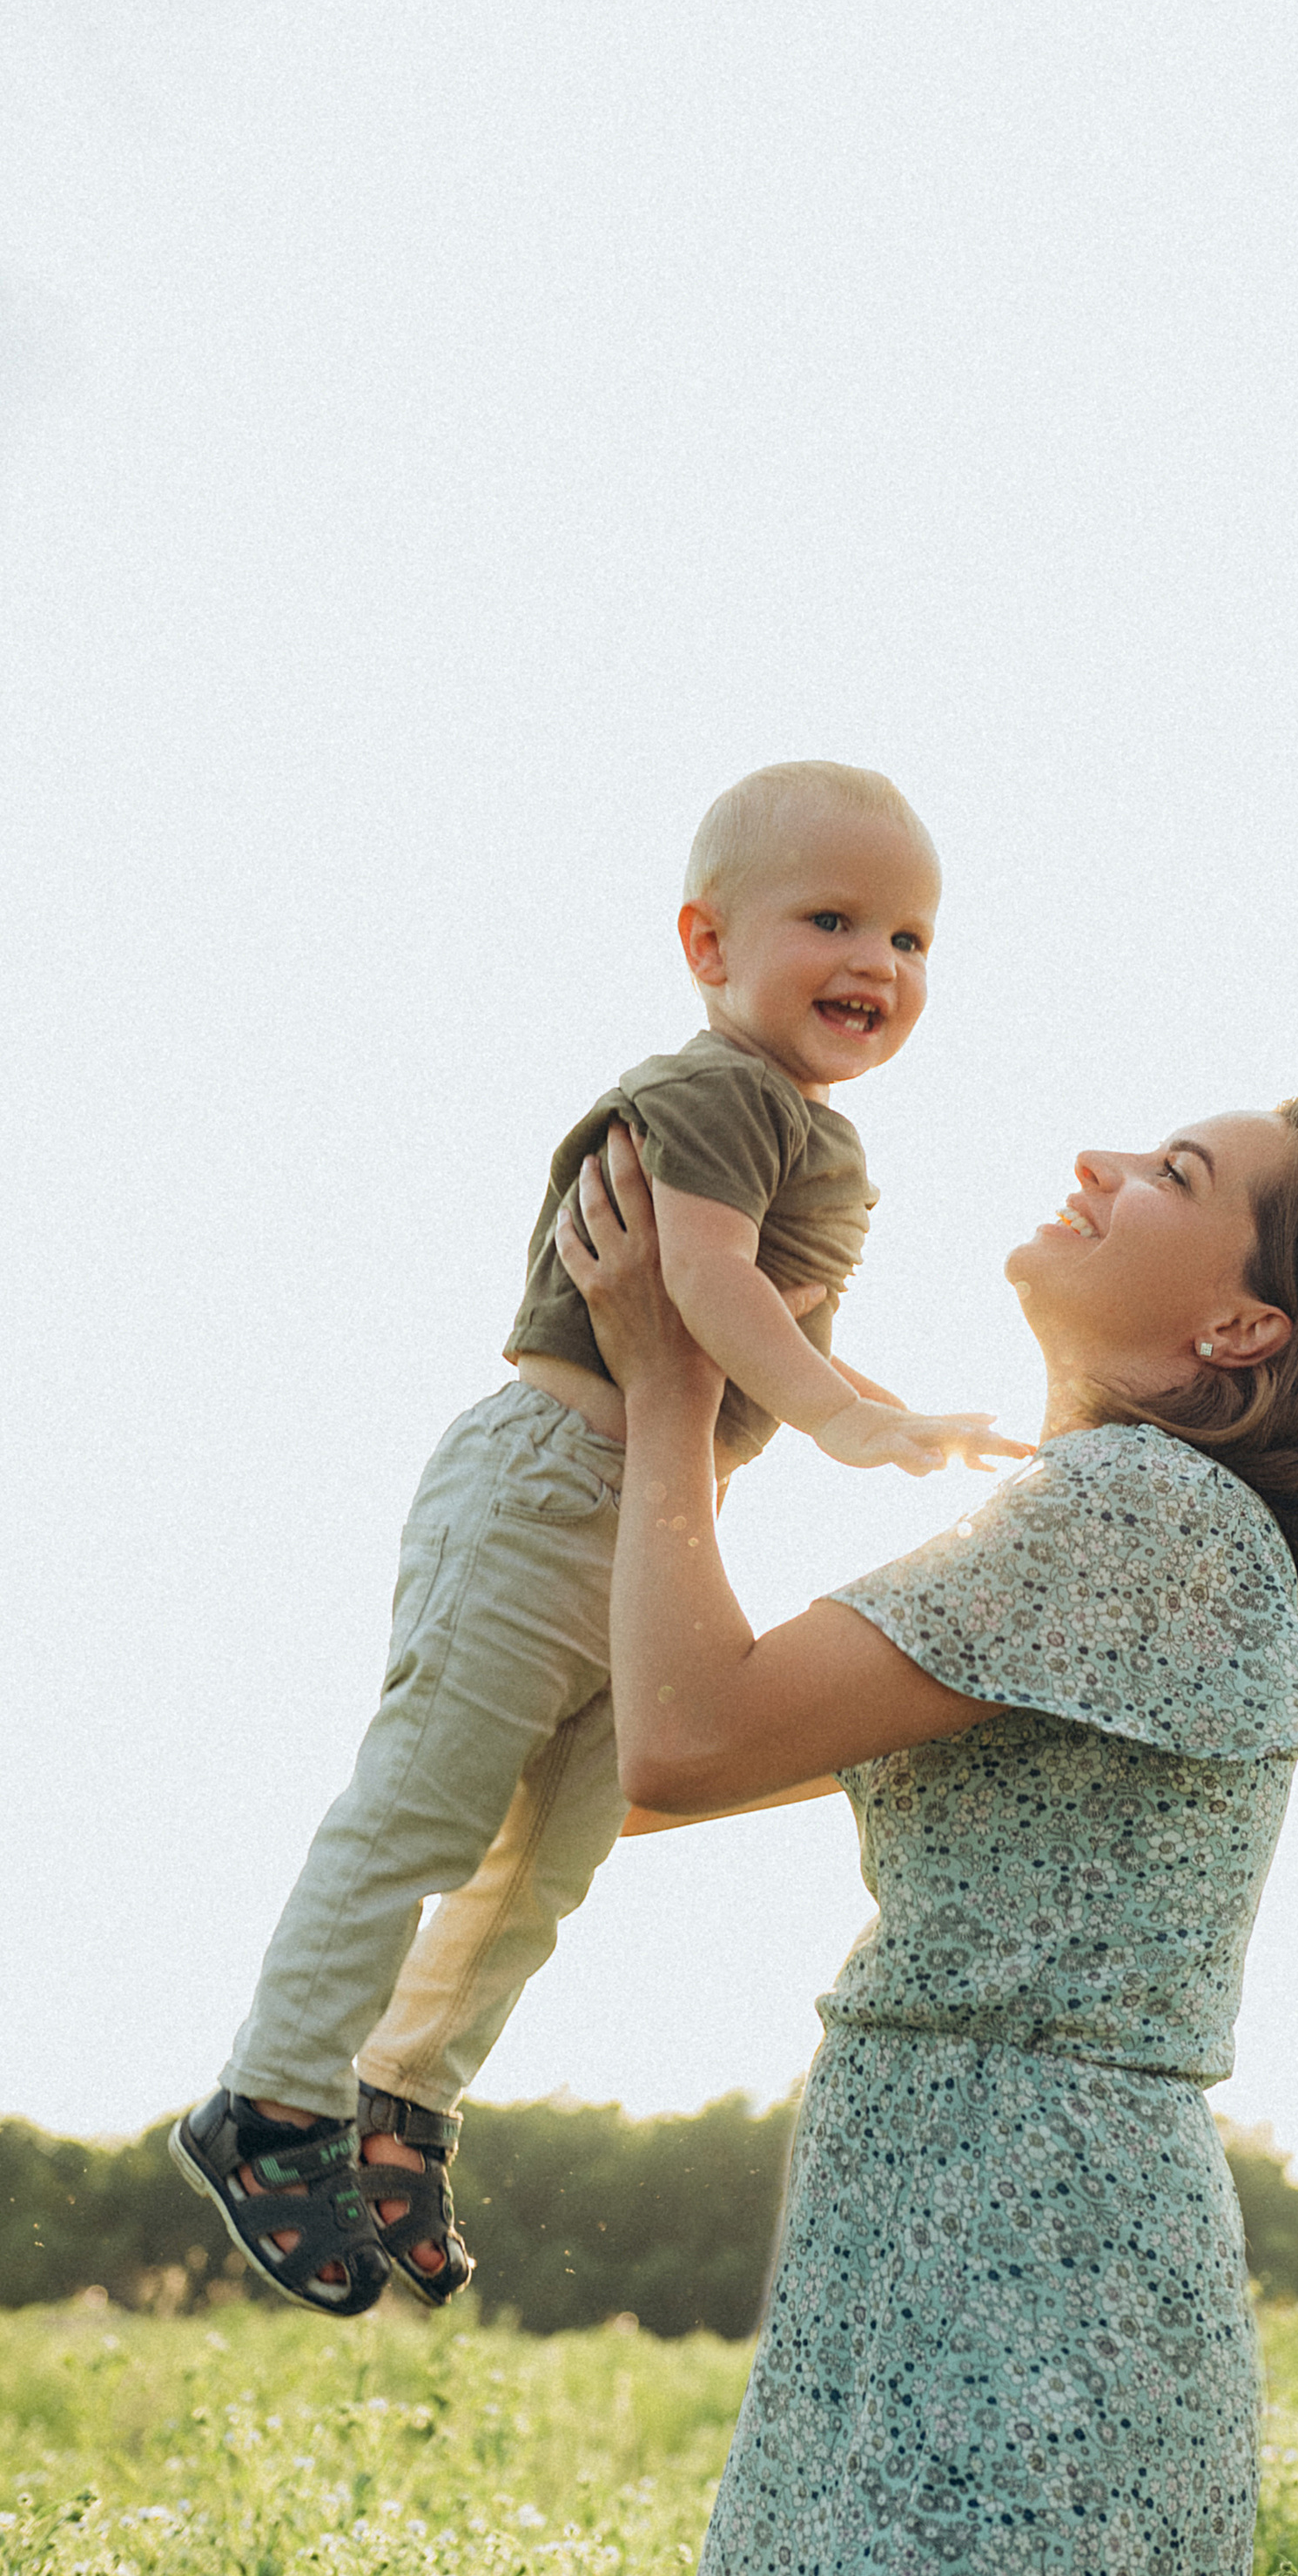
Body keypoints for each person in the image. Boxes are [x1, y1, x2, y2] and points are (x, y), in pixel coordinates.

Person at [552, 1103, 1298, 2576]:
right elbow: (643, 1774)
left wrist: (671, 1382)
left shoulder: (1134, 1515)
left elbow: (671, 1744)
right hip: (948, 2297)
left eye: (1172, 1175)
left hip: (1024, 2333)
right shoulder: (1103, 1531)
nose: (1096, 1161)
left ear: (1242, 1330)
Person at [170, 760, 1022, 2317]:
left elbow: (769, 1316)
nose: (877, 966)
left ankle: (401, 2103)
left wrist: (890, 1413)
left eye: (911, 939)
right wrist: (840, 1421)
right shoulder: (713, 1094)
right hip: (548, 1485)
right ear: (707, 944)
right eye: (831, 920)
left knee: (548, 1855)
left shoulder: (812, 1136)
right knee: (425, 1807)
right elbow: (700, 1284)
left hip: (642, 1516)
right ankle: (274, 2097)